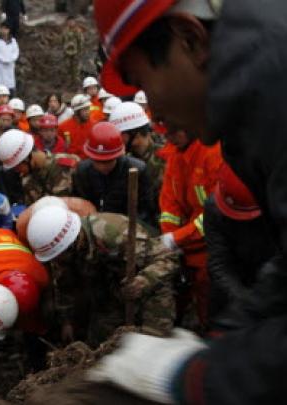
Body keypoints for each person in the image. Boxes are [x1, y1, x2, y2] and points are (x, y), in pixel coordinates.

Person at [73, 2, 287, 403]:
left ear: (190, 38)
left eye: (143, 81)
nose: (154, 112)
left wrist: (195, 377)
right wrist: (229, 337)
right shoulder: (252, 97)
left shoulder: (272, 99)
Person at [26, 204, 178, 347]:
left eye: (59, 256)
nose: (57, 261)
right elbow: (66, 286)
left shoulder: (114, 232)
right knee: (100, 346)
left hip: (152, 286)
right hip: (113, 292)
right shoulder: (61, 254)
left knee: (152, 344)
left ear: (73, 243)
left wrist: (144, 281)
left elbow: (168, 258)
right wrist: (68, 321)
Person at [159, 128, 223, 329]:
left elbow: (217, 215)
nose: (170, 137)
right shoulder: (175, 155)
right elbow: (170, 202)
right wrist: (169, 234)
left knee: (211, 304)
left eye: (175, 131)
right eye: (167, 132)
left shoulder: (213, 154)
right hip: (187, 246)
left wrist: (177, 238)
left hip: (213, 247)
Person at [205, 163, 276, 330]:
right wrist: (247, 303)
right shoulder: (214, 208)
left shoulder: (277, 203)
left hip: (272, 279)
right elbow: (219, 263)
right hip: (232, 289)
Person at [72, 122, 155, 227]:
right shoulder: (81, 172)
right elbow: (79, 204)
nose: (102, 167)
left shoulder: (138, 170)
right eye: (97, 161)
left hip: (127, 229)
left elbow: (147, 212)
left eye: (107, 161)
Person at [109, 101, 164, 226]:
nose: (116, 139)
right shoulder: (123, 161)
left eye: (120, 135)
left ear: (136, 134)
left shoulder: (166, 158)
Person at [0, 129, 74, 205]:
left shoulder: (63, 165)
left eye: (17, 167)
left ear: (27, 158)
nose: (17, 171)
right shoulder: (27, 179)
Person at [57, 94, 97, 159]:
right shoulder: (63, 127)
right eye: (84, 110)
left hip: (90, 162)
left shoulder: (95, 126)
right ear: (76, 111)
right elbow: (59, 149)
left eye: (88, 108)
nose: (88, 112)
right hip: (71, 163)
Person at [0, 22, 19, 95]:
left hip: (9, 66)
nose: (4, 31)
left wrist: (10, 59)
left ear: (9, 30)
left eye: (6, 29)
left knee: (10, 87)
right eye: (2, 29)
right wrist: (3, 59)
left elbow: (16, 52)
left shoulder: (13, 41)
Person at [62, 17, 85, 88]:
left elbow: (81, 41)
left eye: (72, 21)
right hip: (67, 52)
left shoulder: (77, 31)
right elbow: (62, 40)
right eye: (69, 21)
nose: (70, 23)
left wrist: (80, 51)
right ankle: (69, 84)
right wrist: (63, 49)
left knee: (76, 69)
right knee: (68, 68)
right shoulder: (65, 31)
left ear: (74, 22)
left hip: (75, 52)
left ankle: (76, 84)